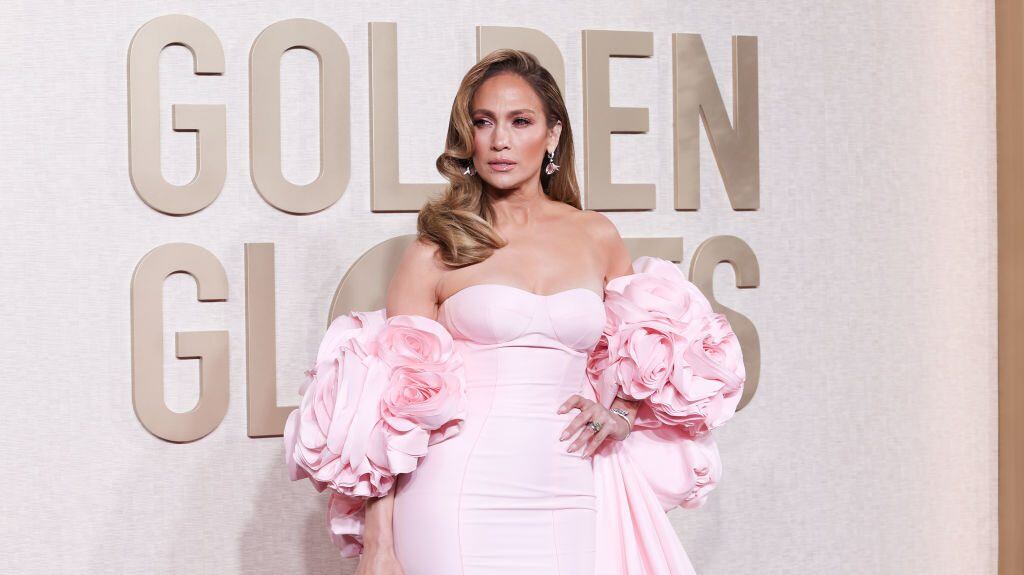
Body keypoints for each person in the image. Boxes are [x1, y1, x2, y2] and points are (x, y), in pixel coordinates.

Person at [283, 49, 746, 575]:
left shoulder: (595, 235)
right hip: (455, 492)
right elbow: (387, 410)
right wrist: (379, 546)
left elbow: (649, 351)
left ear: (552, 134)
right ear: (469, 138)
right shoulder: (438, 249)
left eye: (520, 121)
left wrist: (621, 414)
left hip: (571, 489)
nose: (499, 140)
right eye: (483, 122)